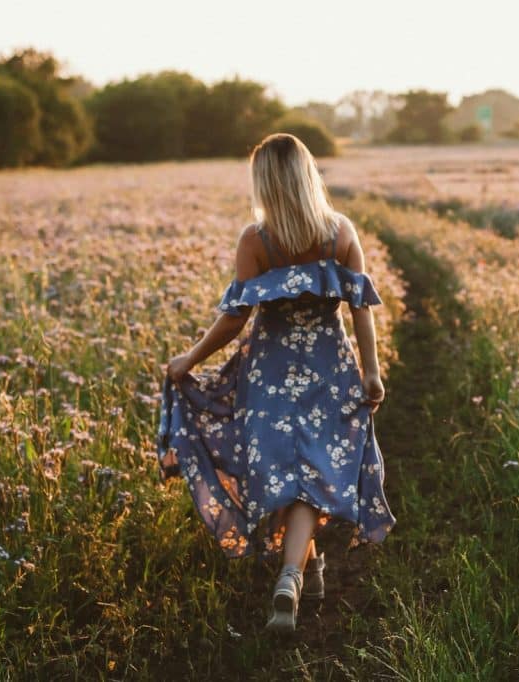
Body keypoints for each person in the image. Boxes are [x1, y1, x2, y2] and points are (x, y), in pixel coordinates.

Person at [157, 133, 396, 632]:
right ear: (309, 174)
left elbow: (234, 319)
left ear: (264, 181)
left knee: (288, 471)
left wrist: (191, 357)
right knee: (313, 470)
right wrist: (370, 371)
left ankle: (292, 574)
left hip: (268, 374)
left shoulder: (256, 241)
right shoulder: (340, 232)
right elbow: (361, 311)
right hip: (330, 369)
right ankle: (304, 569)